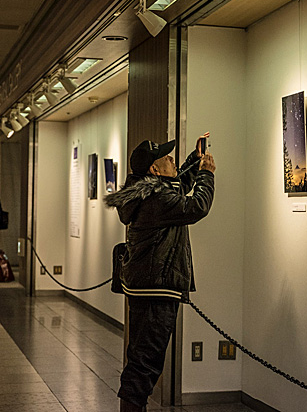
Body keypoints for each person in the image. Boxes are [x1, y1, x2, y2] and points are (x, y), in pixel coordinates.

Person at [104, 133, 215, 412]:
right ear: (154, 170)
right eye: (167, 158)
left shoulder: (150, 192)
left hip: (147, 285)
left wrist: (194, 159)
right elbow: (195, 207)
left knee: (141, 356)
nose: (172, 161)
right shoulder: (156, 198)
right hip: (156, 286)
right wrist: (207, 175)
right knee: (146, 360)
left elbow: (177, 187)